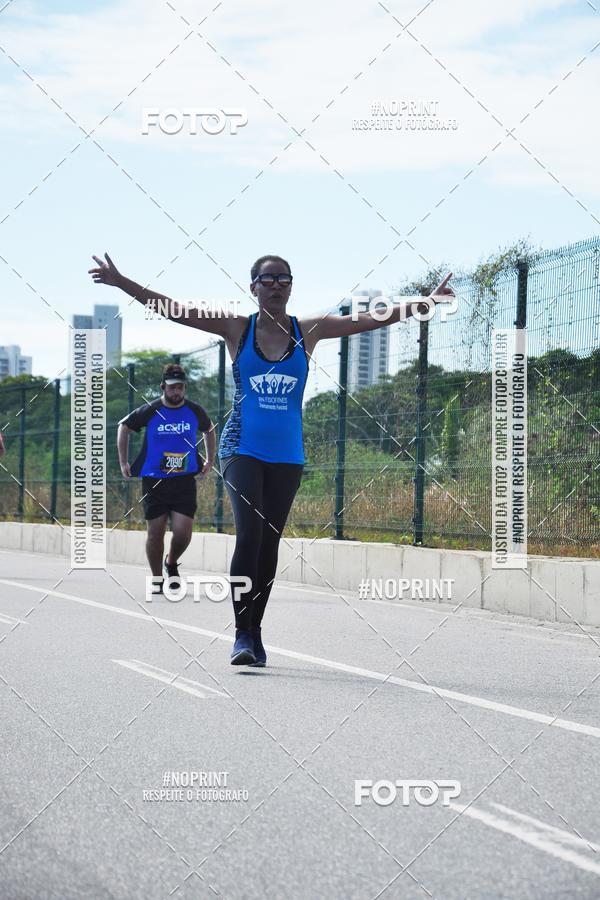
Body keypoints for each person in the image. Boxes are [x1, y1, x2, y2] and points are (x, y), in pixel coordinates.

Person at [89, 252, 455, 665]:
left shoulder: (310, 330)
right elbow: (176, 311)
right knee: (249, 533)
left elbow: (368, 319)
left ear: (291, 286)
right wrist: (123, 283)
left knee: (269, 542)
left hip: (288, 455)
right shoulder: (237, 329)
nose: (276, 284)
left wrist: (426, 302)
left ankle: (255, 632)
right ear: (254, 288)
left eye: (283, 278)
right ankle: (241, 635)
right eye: (268, 279)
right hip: (240, 449)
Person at [117, 363, 215, 594]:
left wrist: (210, 460)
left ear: (185, 388)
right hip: (154, 481)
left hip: (184, 480)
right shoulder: (150, 410)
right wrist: (124, 461)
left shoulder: (194, 410)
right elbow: (124, 427)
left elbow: (209, 429)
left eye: (180, 387)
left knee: (183, 533)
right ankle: (156, 578)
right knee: (155, 532)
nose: (176, 392)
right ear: (163, 387)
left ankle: (171, 562)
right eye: (172, 387)